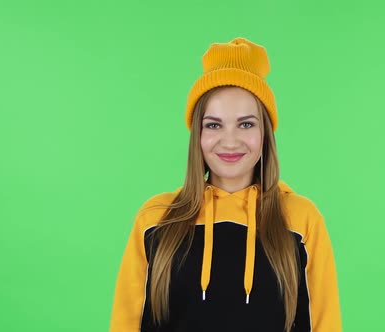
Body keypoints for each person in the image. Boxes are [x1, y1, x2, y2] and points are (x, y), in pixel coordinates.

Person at [109, 37, 342, 332]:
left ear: (265, 134)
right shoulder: (155, 219)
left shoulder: (300, 219)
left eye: (246, 124)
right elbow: (126, 324)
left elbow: (325, 324)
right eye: (214, 124)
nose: (229, 141)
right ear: (198, 135)